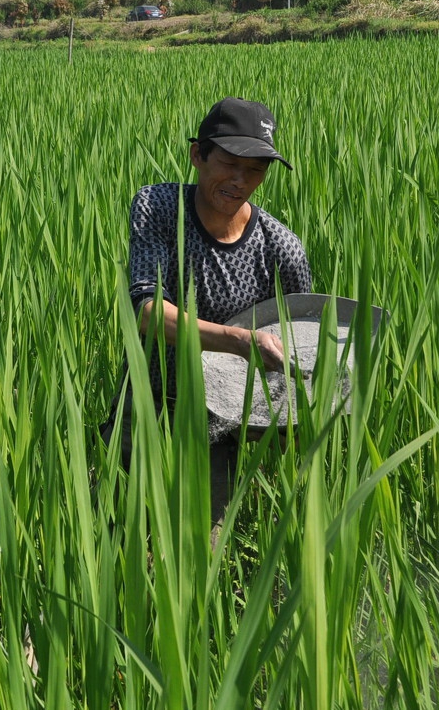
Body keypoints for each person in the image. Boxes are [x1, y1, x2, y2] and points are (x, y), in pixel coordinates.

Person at [102, 97, 313, 533]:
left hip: (221, 426)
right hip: (147, 404)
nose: (241, 181)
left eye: (255, 170)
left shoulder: (281, 248)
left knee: (196, 551)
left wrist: (276, 425)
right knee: (112, 537)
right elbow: (147, 312)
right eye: (230, 163)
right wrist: (239, 340)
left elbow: (298, 353)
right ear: (198, 155)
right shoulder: (160, 208)